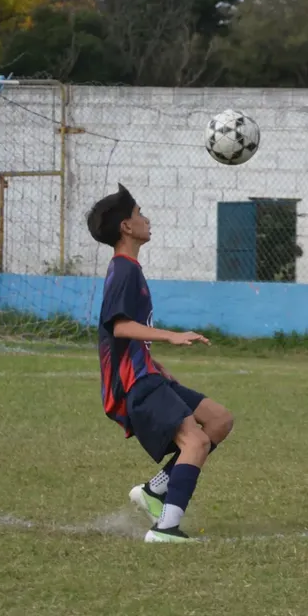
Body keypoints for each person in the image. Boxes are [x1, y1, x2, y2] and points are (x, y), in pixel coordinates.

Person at [87, 183, 234, 543]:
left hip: (146, 373)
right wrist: (171, 336)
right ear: (126, 226)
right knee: (195, 442)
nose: (146, 219)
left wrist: (154, 359)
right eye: (139, 214)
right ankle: (166, 528)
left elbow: (127, 334)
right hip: (135, 383)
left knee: (219, 420)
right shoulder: (123, 270)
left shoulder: (130, 269)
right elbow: (118, 326)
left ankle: (155, 491)